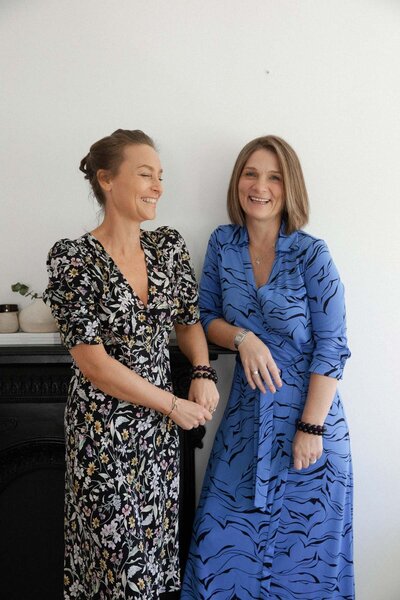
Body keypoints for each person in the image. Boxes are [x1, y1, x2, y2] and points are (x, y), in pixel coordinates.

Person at [43, 129, 219, 600]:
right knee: (114, 565)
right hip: (103, 434)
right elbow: (93, 363)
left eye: (160, 176)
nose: (158, 186)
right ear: (106, 179)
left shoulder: (168, 246)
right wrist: (173, 406)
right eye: (145, 174)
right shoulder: (73, 258)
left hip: (157, 437)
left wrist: (201, 371)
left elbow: (187, 322)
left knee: (155, 563)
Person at [181, 135, 353, 599]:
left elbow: (333, 347)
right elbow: (205, 316)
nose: (260, 186)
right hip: (242, 429)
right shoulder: (223, 243)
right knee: (219, 557)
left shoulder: (312, 254)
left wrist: (311, 428)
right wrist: (244, 338)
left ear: (289, 187)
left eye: (274, 176)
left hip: (308, 428)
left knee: (304, 570)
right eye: (251, 173)